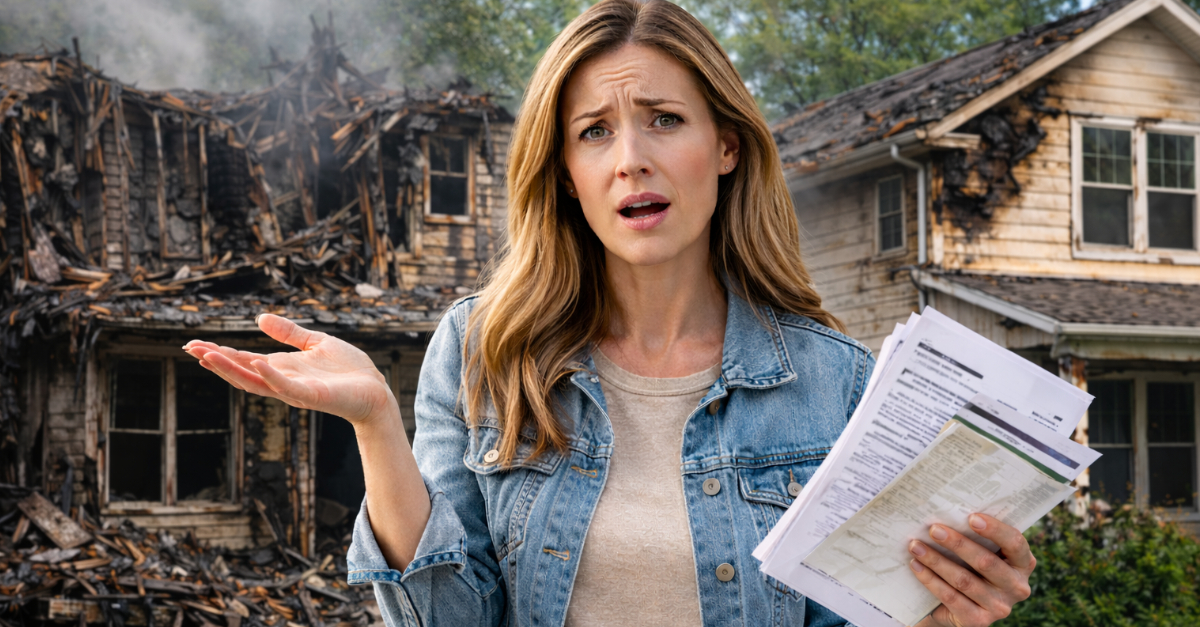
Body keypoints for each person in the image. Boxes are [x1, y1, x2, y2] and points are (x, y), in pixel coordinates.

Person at [184, 1, 1037, 625]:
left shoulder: (837, 383)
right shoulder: (482, 350)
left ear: (727, 145)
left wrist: (943, 614)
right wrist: (375, 423)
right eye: (594, 131)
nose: (631, 159)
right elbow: (445, 620)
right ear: (562, 169)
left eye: (665, 119)